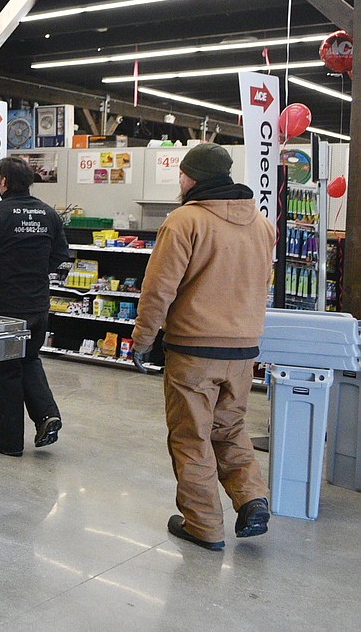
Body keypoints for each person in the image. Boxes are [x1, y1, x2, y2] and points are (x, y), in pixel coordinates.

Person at [132, 142, 273, 551]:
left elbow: (159, 288)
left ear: (191, 178)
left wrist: (142, 340)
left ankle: (204, 525)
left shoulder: (184, 221)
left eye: (181, 173)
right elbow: (260, 285)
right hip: (243, 351)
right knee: (229, 429)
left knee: (191, 437)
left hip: (194, 350)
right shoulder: (262, 225)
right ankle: (252, 499)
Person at [0, 156, 71, 456]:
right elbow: (61, 253)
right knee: (29, 360)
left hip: (4, 307)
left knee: (3, 370)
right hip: (37, 305)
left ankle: (7, 441)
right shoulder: (48, 214)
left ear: (3, 181)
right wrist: (35, 270)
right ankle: (47, 415)